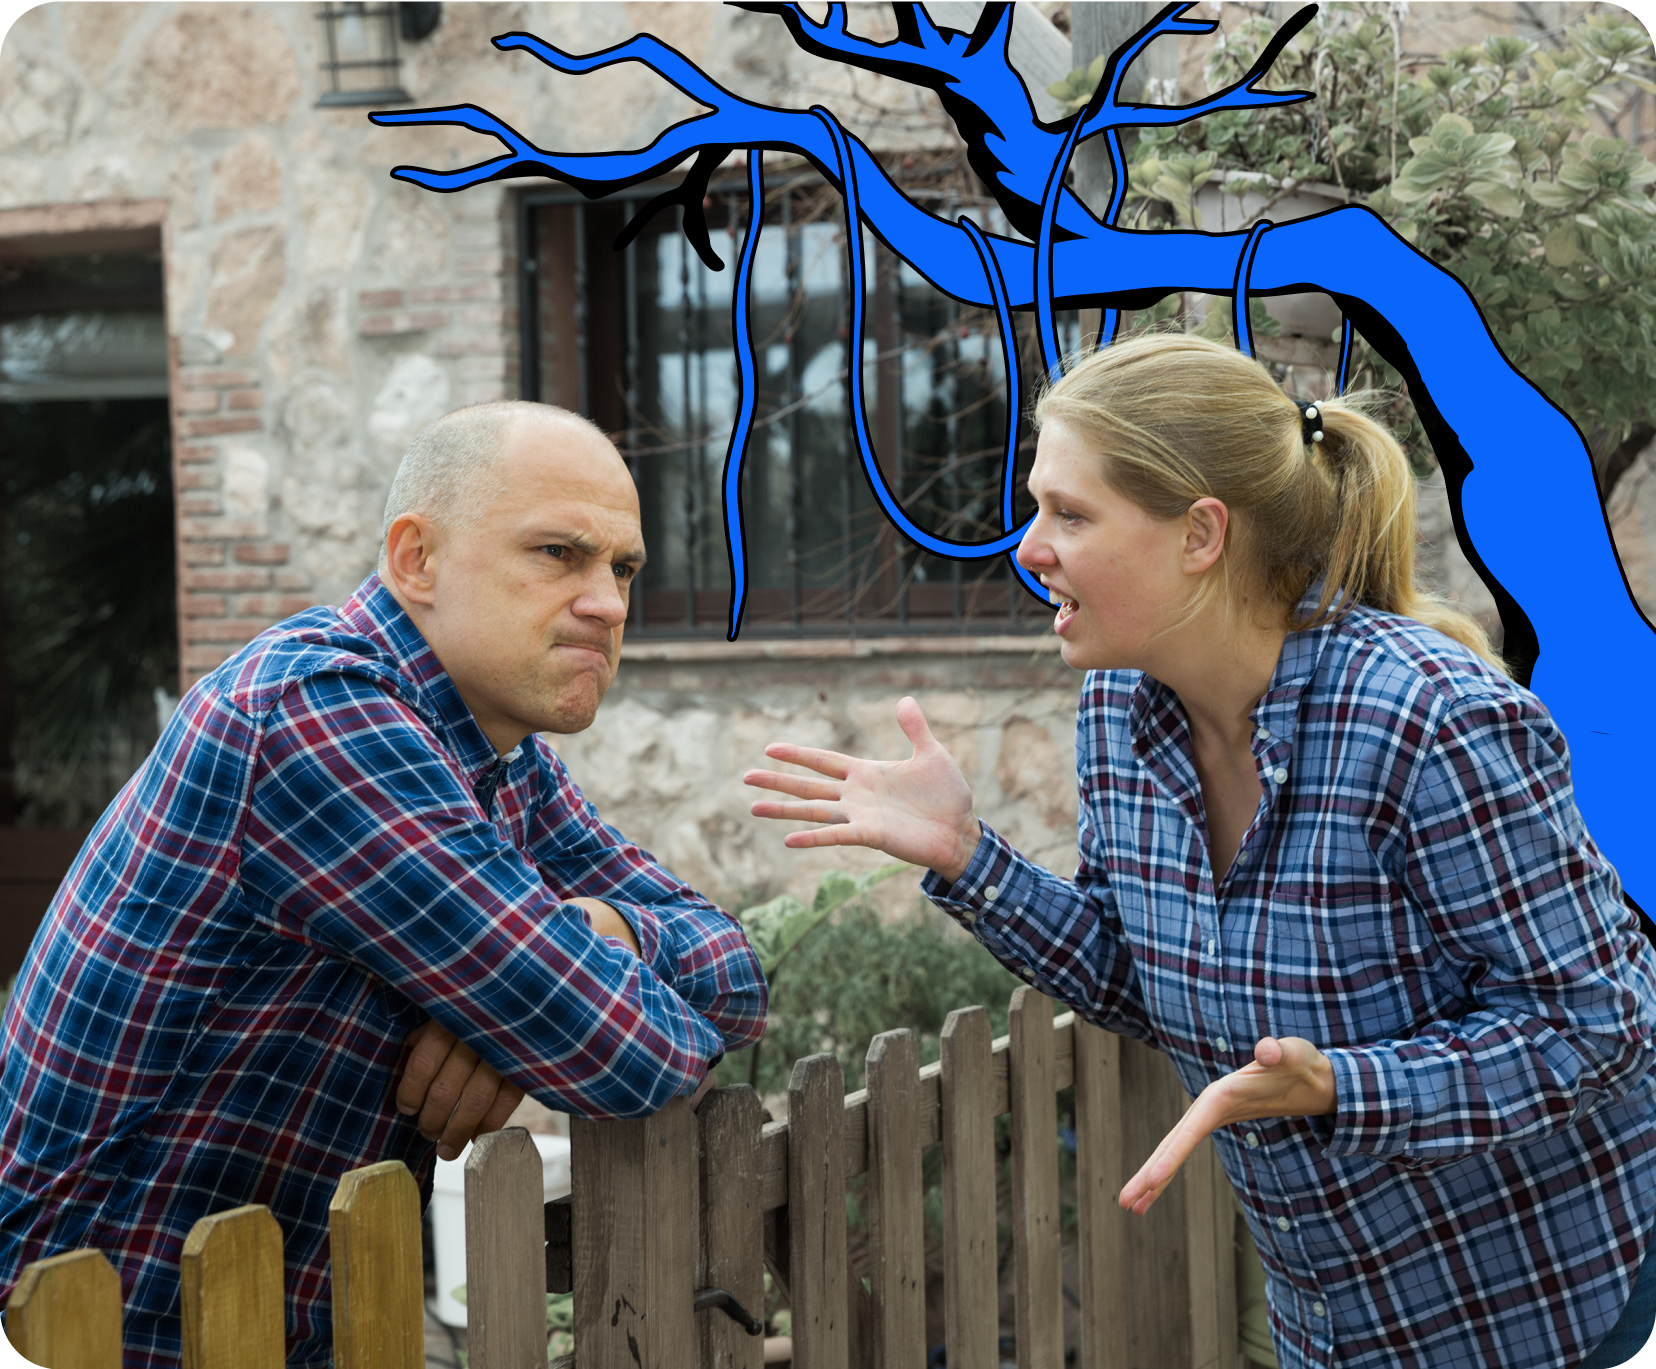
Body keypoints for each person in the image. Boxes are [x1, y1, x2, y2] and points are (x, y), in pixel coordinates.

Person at [745, 333, 1656, 1369]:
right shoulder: (1120, 711)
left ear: (1200, 534)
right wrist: (970, 860)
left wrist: (1339, 1086)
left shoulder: (1428, 722)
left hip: (1557, 1293)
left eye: (1069, 514)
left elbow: (1597, 1025)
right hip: (1338, 1311)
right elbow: (1147, 979)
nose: (1027, 547)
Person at [0, 401, 766, 1367]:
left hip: (277, 1324)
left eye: (622, 568)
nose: (609, 603)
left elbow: (740, 969)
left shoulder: (505, 757)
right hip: (103, 1327)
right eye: (558, 554)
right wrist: (540, 1008)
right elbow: (627, 1055)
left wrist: (595, 933)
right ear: (416, 560)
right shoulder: (316, 713)